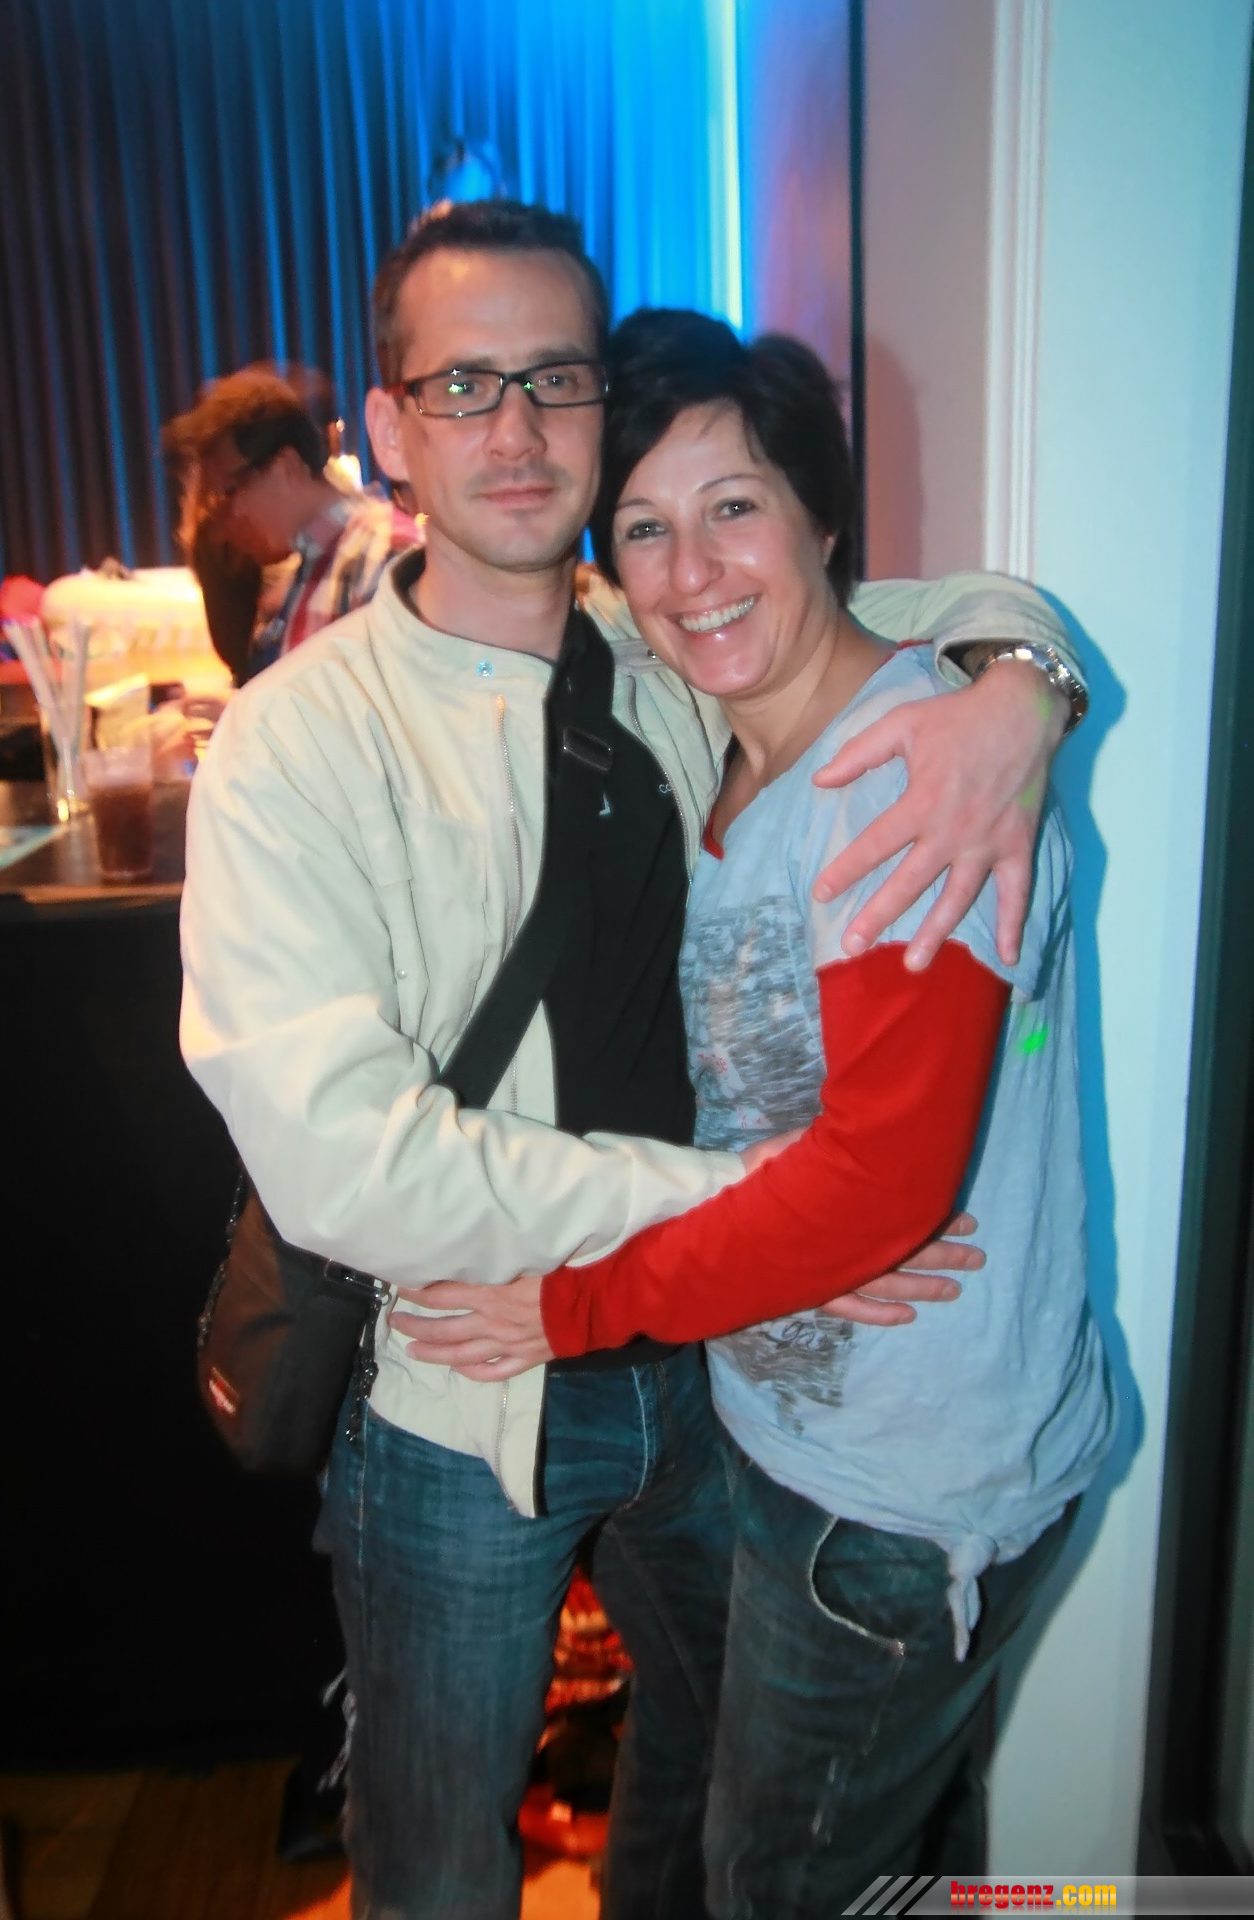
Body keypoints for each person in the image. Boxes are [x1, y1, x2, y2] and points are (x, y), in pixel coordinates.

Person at [180, 200, 1088, 1920]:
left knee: (710, 1778)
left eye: (557, 378)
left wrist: (1023, 680)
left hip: (712, 1380)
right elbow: (344, 1155)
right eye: (464, 385)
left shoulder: (668, 646)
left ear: (601, 405)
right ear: (389, 428)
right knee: (439, 1857)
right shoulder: (297, 746)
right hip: (463, 1378)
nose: (517, 428)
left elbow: (882, 608)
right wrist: (773, 1199)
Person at [398, 308, 1116, 1913]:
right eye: (645, 528)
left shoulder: (906, 781)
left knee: (777, 1883)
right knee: (852, 1852)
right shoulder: (731, 752)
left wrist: (566, 1307)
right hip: (807, 1441)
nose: (693, 572)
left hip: (899, 1497)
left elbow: (875, 1190)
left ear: (822, 519)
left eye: (734, 508)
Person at [163, 365, 419, 682]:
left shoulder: (384, 553)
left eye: (230, 492)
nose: (228, 521)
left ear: (285, 467)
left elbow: (410, 705)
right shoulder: (319, 559)